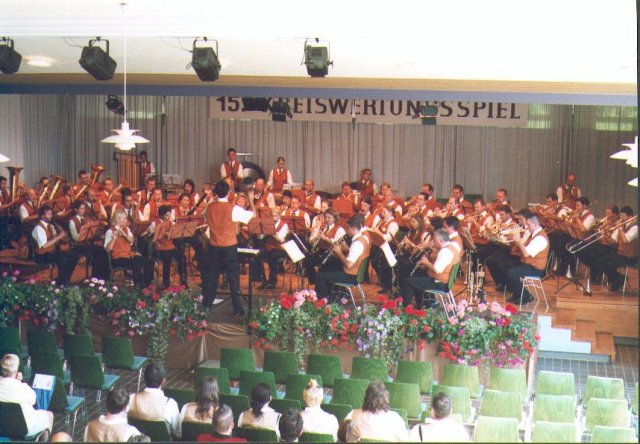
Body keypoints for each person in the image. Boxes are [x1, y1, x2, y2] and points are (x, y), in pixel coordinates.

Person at [202, 180, 255, 314]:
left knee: (212, 277)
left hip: (214, 246)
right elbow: (252, 217)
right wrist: (251, 200)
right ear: (229, 192)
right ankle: (237, 308)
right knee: (233, 278)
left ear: (216, 193)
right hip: (229, 246)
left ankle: (206, 306)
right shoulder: (233, 208)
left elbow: (206, 219)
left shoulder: (209, 207)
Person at [315, 214, 371, 302]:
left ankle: (324, 301)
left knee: (320, 276)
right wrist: (345, 249)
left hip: (351, 275)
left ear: (354, 229)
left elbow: (349, 264)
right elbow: (354, 256)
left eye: (348, 228)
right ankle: (334, 296)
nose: (346, 231)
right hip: (354, 272)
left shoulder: (357, 243)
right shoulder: (362, 239)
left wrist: (339, 252)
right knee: (326, 267)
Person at [0, 354, 53, 438]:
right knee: (49, 415)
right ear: (16, 370)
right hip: (23, 428)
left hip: (2, 426)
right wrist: (19, 382)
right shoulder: (22, 388)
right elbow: (33, 400)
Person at [404, 229, 459, 309]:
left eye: (434, 240)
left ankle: (406, 308)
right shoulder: (451, 247)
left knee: (409, 281)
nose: (433, 242)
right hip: (442, 280)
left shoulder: (445, 251)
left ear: (440, 240)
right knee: (417, 276)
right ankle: (420, 306)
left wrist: (426, 262)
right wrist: (425, 264)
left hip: (440, 284)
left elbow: (437, 270)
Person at [504, 213, 550, 304]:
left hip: (536, 269)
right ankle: (517, 293)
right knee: (505, 265)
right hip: (528, 263)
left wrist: (518, 241)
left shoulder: (540, 238)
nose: (527, 227)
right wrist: (515, 241)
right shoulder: (534, 234)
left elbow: (525, 254)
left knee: (512, 272)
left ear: (535, 224)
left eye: (528, 225)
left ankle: (526, 296)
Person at [128, 362, 181, 439]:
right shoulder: (170, 404)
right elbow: (178, 434)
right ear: (163, 381)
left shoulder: (131, 399)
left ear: (144, 379)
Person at [590, 206, 637, 292]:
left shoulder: (635, 228)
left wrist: (620, 227)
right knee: (600, 261)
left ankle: (616, 281)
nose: (621, 218)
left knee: (609, 264)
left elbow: (625, 240)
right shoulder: (623, 226)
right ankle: (620, 278)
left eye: (623, 216)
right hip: (620, 253)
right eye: (621, 216)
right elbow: (614, 241)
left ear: (630, 217)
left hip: (630, 256)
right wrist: (606, 235)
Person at [104, 210, 154, 289]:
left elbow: (132, 241)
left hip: (128, 256)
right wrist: (114, 238)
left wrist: (124, 235)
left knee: (149, 261)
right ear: (117, 220)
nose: (126, 221)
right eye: (124, 219)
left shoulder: (126, 229)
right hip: (117, 258)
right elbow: (107, 249)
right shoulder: (110, 231)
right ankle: (140, 287)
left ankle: (147, 285)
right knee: (136, 263)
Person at [32, 204, 79, 285]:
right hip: (42, 255)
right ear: (42, 216)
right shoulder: (38, 228)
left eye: (51, 214)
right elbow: (44, 246)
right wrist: (59, 236)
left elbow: (55, 240)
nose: (51, 216)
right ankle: (61, 282)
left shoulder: (51, 226)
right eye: (48, 214)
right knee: (62, 258)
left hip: (51, 252)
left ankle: (65, 279)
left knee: (74, 256)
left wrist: (63, 238)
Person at [68, 200, 110, 280]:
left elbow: (92, 232)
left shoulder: (86, 219)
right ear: (76, 210)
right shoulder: (72, 221)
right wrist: (83, 233)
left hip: (87, 244)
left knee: (102, 250)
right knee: (98, 250)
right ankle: (97, 276)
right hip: (77, 246)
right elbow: (75, 237)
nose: (83, 210)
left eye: (84, 209)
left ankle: (103, 276)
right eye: (81, 209)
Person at [152, 205, 187, 288]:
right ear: (161, 215)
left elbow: (174, 232)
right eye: (167, 215)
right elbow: (153, 234)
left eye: (169, 215)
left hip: (170, 247)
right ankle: (166, 283)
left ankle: (183, 280)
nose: (169, 217)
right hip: (160, 248)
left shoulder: (170, 222)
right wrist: (163, 233)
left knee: (182, 257)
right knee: (167, 260)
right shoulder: (155, 223)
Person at [258, 209, 289, 290]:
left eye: (276, 216)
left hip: (280, 248)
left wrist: (272, 232)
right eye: (272, 216)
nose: (274, 218)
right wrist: (261, 232)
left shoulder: (284, 225)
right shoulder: (268, 224)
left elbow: (280, 239)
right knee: (258, 256)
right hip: (269, 247)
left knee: (272, 257)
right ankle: (263, 280)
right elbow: (260, 237)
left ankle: (272, 281)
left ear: (279, 216)